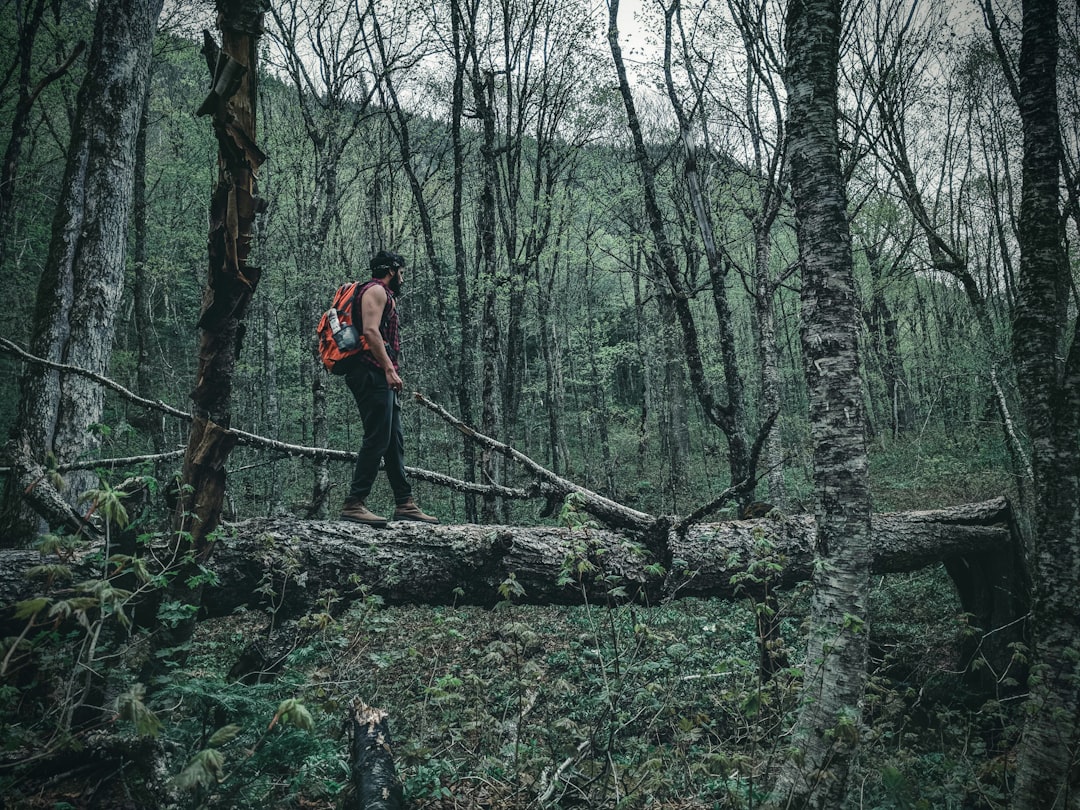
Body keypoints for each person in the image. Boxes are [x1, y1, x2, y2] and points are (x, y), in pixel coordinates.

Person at [338, 250, 439, 526]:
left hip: (377, 373)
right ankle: (354, 503)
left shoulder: (380, 293)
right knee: (378, 437)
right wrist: (389, 370)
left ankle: (405, 503)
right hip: (370, 373)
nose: (403, 278)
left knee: (393, 441)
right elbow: (371, 332)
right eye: (402, 272)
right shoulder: (376, 291)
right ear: (392, 270)